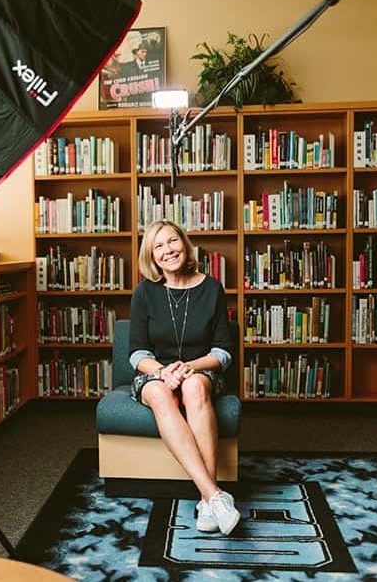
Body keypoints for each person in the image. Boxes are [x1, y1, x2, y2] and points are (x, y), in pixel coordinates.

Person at [129, 219, 240, 535]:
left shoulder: (212, 288)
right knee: (162, 393)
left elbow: (223, 351)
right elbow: (137, 354)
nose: (167, 250)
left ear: (185, 244)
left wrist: (188, 366)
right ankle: (214, 495)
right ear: (151, 257)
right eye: (158, 246)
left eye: (172, 241)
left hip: (199, 369)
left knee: (193, 387)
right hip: (155, 374)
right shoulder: (144, 293)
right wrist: (164, 372)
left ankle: (207, 501)